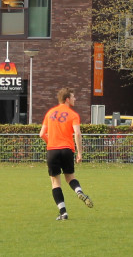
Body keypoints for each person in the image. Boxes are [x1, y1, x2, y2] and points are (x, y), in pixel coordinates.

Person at [39, 87, 93, 221]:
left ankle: (63, 213)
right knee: (70, 178)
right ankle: (79, 191)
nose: (75, 99)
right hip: (67, 150)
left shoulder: (50, 113)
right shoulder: (73, 114)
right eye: (73, 97)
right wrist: (80, 153)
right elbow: (78, 133)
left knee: (55, 182)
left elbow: (41, 134)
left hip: (52, 150)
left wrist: (50, 142)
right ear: (67, 99)